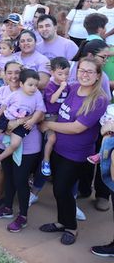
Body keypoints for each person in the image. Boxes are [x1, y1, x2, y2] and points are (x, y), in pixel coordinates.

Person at [39, 57, 108, 245]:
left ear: (98, 76)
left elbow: (77, 128)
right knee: (58, 189)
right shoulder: (73, 87)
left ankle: (71, 227)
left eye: (89, 71)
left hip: (77, 154)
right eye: (81, 70)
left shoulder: (99, 100)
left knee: (62, 189)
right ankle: (62, 222)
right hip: (58, 148)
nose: (84, 74)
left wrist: (47, 124)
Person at [0, 69, 46, 169]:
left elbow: (40, 111)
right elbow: (4, 104)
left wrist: (32, 121)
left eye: (36, 85)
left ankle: (0, 157)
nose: (33, 88)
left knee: (15, 144)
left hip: (23, 124)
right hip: (7, 116)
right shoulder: (16, 93)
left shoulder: (37, 95)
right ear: (21, 84)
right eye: (30, 85)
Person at [41, 57, 70, 176]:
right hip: (50, 116)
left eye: (66, 74)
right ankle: (46, 160)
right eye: (60, 74)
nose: (64, 76)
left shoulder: (67, 85)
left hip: (61, 115)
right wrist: (62, 87)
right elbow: (52, 100)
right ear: (52, 72)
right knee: (52, 138)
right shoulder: (51, 86)